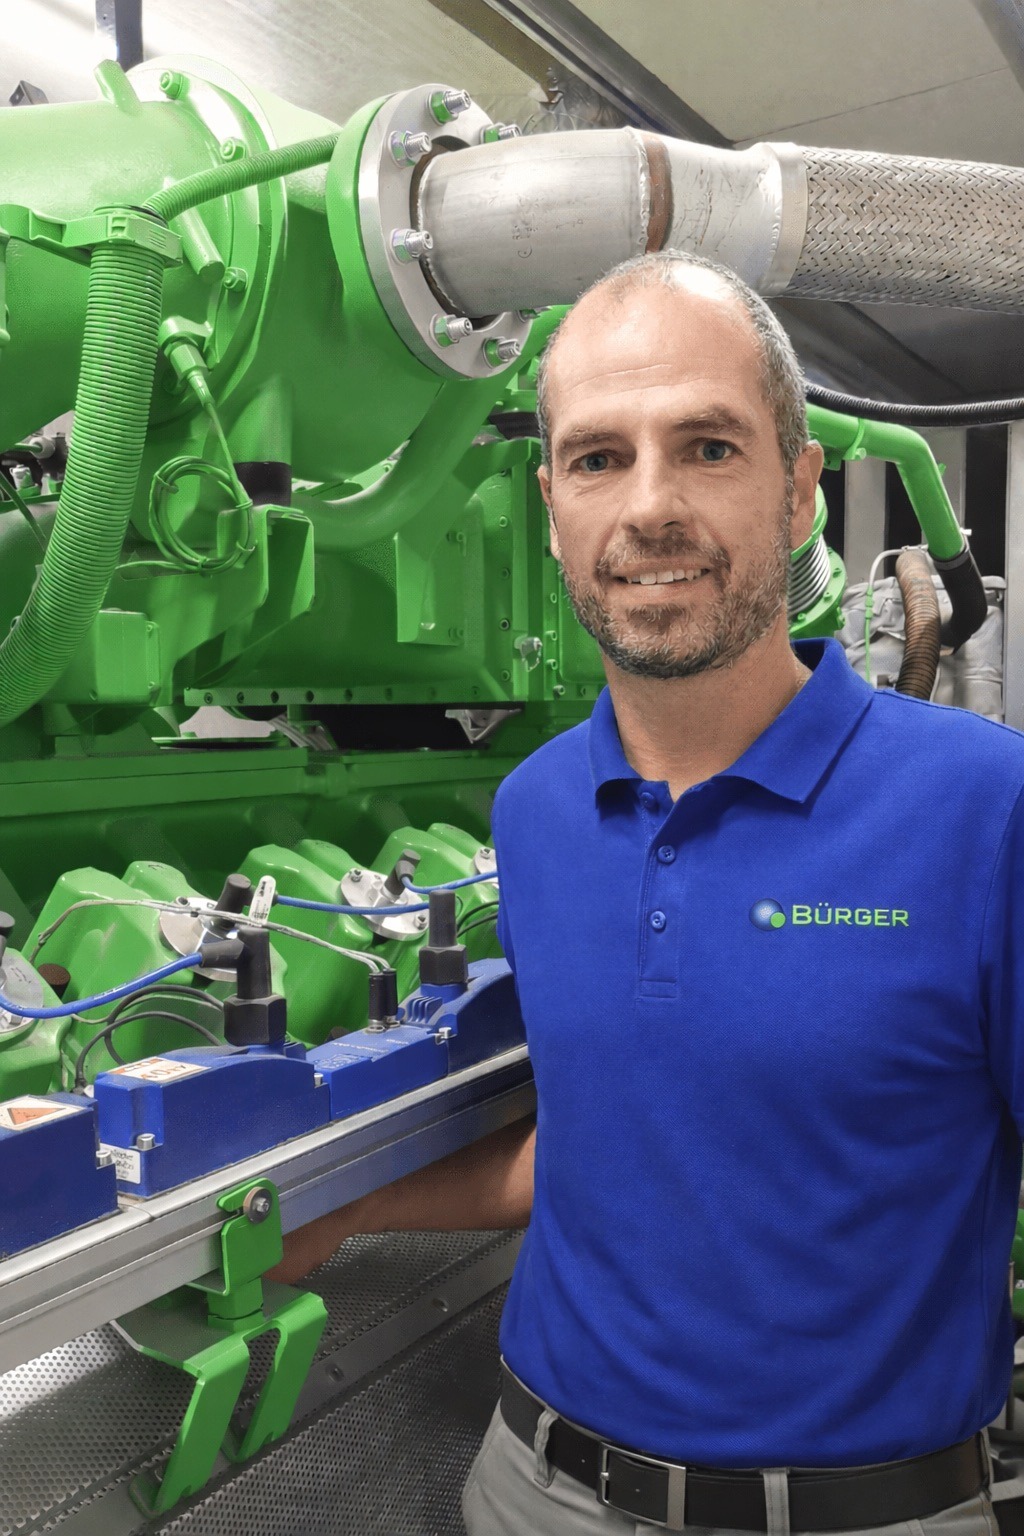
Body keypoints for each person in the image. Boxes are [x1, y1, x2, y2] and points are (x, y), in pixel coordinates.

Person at [273, 251, 1024, 1536]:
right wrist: (344, 1208)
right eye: (597, 458)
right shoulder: (537, 811)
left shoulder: (984, 807)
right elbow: (600, 1137)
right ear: (551, 504)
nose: (650, 507)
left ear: (798, 489)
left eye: (708, 447)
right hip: (532, 1485)